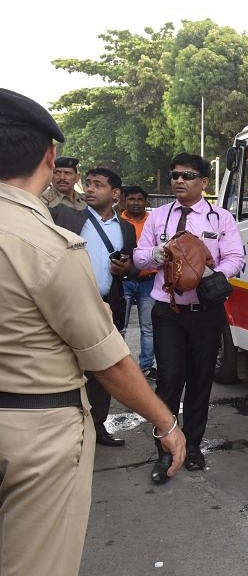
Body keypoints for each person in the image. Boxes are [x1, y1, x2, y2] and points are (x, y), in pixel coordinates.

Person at [0, 87, 184, 576]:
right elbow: (107, 359)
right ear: (49, 156)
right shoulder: (47, 243)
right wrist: (165, 423)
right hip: (33, 433)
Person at [133, 153, 245, 483]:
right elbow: (139, 257)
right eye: (175, 175)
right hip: (167, 311)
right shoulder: (158, 217)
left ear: (204, 182)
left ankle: (193, 446)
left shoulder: (219, 218)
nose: (179, 180)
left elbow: (237, 256)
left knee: (200, 381)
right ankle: (165, 450)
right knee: (169, 381)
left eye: (188, 175)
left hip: (206, 312)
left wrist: (211, 276)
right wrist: (154, 254)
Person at [51, 167, 138, 448]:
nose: (89, 189)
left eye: (98, 185)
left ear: (115, 194)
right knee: (68, 368)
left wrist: (126, 269)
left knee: (104, 367)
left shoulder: (125, 227)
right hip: (71, 305)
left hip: (108, 306)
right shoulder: (67, 217)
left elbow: (131, 266)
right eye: (87, 183)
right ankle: (68, 430)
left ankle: (98, 424)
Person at [120, 184, 157, 380]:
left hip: (148, 280)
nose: (136, 203)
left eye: (140, 199)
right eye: (132, 199)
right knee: (120, 326)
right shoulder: (117, 221)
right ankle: (119, 366)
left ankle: (146, 366)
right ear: (124, 201)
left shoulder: (153, 221)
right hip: (123, 281)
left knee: (148, 326)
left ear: (146, 202)